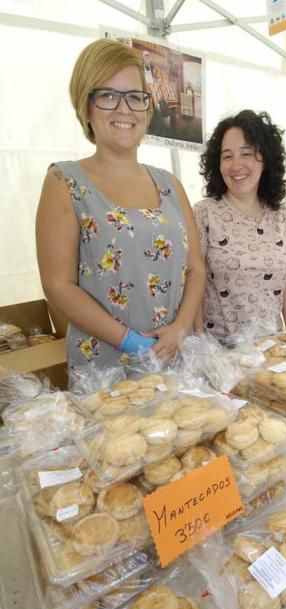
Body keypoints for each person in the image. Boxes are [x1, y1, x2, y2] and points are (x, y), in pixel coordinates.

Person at [36, 39, 205, 368]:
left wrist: (180, 328)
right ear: (85, 106)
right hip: (105, 371)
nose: (124, 109)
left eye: (134, 97)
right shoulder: (65, 182)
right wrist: (131, 341)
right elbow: (58, 285)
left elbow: (196, 267)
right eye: (108, 96)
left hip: (175, 360)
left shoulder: (170, 185)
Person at [193, 109, 286, 341]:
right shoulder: (204, 213)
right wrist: (201, 346)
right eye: (227, 156)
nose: (236, 165)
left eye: (246, 153)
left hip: (272, 351)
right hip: (221, 353)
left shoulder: (282, 217)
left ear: (265, 160)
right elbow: (193, 284)